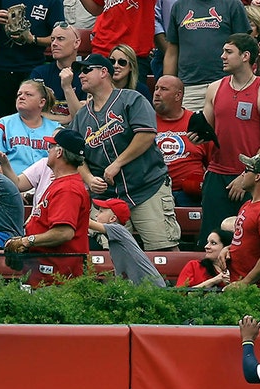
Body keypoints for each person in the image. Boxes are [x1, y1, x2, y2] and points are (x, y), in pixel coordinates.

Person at [72, 54, 181, 252]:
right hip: (109, 196)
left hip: (147, 187)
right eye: (80, 71)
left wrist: (118, 163)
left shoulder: (132, 99)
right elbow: (75, 155)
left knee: (162, 250)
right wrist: (87, 178)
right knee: (112, 254)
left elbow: (147, 134)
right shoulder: (81, 115)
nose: (81, 75)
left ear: (104, 72)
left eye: (87, 70)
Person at [195, 35, 260, 243]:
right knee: (212, 238)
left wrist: (246, 175)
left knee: (247, 242)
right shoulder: (215, 88)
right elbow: (207, 130)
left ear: (245, 56)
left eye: (228, 52)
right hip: (217, 174)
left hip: (251, 177)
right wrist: (197, 135)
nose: (222, 56)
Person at [3, 127, 92, 286]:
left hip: (58, 278)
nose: (48, 150)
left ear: (59, 152)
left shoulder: (68, 189)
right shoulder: (61, 183)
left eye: (51, 147)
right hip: (46, 271)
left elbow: (64, 232)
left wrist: (27, 241)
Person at [165, 0, 252, 111]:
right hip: (190, 88)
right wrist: (168, 86)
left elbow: (244, 47)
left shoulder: (233, 4)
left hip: (228, 85)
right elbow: (172, 53)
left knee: (228, 128)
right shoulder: (179, 6)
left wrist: (243, 85)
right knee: (191, 127)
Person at [0, 0, 62, 117]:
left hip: (32, 71)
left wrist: (33, 39)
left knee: (29, 120)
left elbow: (58, 35)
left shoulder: (53, 2)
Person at [224, 153, 260, 289]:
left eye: (246, 170)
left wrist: (244, 284)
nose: (242, 175)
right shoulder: (248, 204)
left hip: (257, 290)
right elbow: (245, 241)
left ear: (257, 177)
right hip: (238, 284)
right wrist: (227, 249)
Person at [153, 75, 212, 207]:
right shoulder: (145, 122)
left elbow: (213, 163)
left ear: (178, 95)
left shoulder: (197, 122)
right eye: (156, 88)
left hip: (189, 194)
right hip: (154, 192)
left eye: (163, 89)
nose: (157, 93)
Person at [0, 79, 61, 177]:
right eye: (19, 94)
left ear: (41, 102)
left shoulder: (56, 129)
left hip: (46, 185)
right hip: (9, 186)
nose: (21, 97)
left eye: (28, 94)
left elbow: (63, 163)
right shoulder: (3, 125)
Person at [89, 198, 167, 287]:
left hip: (152, 287)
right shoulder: (116, 233)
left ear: (113, 218)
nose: (96, 215)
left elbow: (88, 223)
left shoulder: (116, 229)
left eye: (101, 211)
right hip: (140, 288)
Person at [29, 23, 86, 120]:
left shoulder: (87, 74)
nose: (54, 44)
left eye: (60, 39)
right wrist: (67, 118)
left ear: (76, 43)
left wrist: (67, 87)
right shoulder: (39, 73)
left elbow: (82, 119)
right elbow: (30, 112)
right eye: (52, 39)